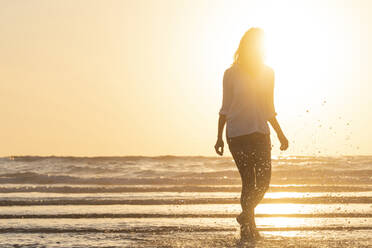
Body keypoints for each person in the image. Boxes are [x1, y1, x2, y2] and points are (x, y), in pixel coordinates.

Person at [214, 27, 289, 242]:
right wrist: (219, 137)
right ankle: (249, 229)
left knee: (264, 183)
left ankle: (246, 215)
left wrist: (281, 135)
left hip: (260, 133)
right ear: (244, 46)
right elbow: (225, 108)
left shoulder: (268, 73)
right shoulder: (231, 73)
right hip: (237, 134)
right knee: (248, 182)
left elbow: (268, 108)